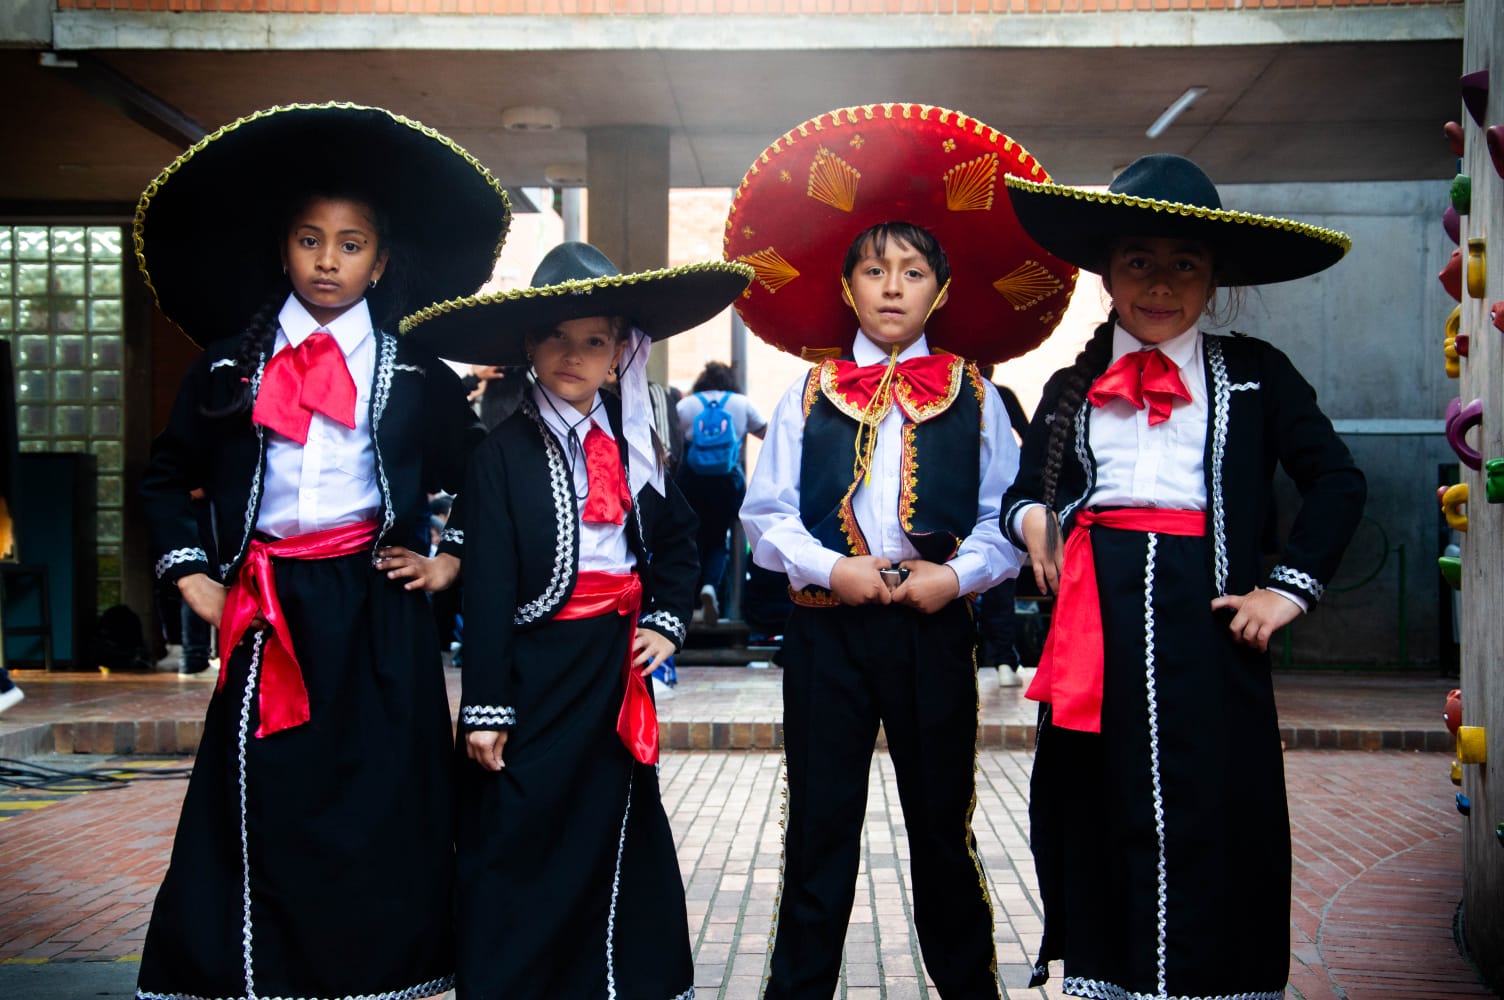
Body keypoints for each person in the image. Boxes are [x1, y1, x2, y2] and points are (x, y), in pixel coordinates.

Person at [134, 103, 509, 1000]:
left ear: (380, 261)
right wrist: (192, 576)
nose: (328, 261)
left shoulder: (414, 372)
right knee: (264, 788)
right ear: (284, 251)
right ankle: (252, 974)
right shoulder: (229, 366)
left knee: (383, 794)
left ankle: (380, 974)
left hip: (379, 603)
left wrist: (448, 558)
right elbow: (165, 474)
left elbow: (483, 475)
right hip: (266, 606)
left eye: (350, 244)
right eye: (310, 241)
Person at [727, 104, 1078, 1000]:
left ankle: (969, 990)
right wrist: (831, 569)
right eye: (874, 270)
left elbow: (1006, 517)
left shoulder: (979, 396)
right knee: (819, 831)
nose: (892, 287)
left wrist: (954, 578)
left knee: (941, 831)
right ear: (848, 287)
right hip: (825, 635)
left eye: (913, 272)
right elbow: (766, 517)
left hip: (934, 636)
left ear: (941, 291)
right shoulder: (806, 392)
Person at [1001, 153, 1366, 999]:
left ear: (1215, 279)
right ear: (1107, 275)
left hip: (1211, 615)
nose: (1160, 284)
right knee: (1100, 797)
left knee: (1217, 799)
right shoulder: (1070, 384)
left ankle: (1215, 982)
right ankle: (1110, 975)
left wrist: (1287, 587)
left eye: (1185, 264)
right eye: (1139, 261)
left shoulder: (1258, 373)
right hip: (1096, 617)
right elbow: (1022, 494)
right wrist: (1034, 522)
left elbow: (1338, 480)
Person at [401, 241, 752, 999]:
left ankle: (614, 983)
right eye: (557, 336)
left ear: (620, 351)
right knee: (517, 828)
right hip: (534, 669)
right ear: (529, 344)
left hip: (613, 665)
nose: (574, 354)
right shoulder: (500, 454)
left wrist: (667, 620)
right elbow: (487, 587)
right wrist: (486, 708)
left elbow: (679, 540)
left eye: (594, 340)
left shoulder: (636, 443)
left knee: (611, 824)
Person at [676, 360, 767, 622]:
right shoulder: (741, 403)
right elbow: (768, 434)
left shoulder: (686, 405)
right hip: (727, 483)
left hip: (691, 481)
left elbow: (669, 441)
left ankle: (688, 598)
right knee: (718, 539)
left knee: (691, 537)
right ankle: (710, 587)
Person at [974, 366, 1032, 686]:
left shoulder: (999, 395)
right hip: (959, 497)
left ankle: (1004, 659)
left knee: (998, 574)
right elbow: (1029, 435)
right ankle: (1001, 660)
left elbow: (1029, 437)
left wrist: (1008, 464)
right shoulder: (997, 394)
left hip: (990, 495)